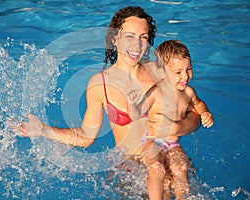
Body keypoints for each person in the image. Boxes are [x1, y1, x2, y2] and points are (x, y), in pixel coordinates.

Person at [17, 6, 201, 199]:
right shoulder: (100, 85)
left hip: (171, 161)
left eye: (144, 37)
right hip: (133, 172)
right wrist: (44, 130)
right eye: (130, 36)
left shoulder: (161, 73)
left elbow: (196, 112)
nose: (137, 45)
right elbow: (85, 137)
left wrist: (178, 127)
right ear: (115, 38)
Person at [126, 40, 214, 199]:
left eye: (188, 69)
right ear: (161, 72)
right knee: (157, 168)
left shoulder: (188, 92)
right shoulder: (156, 91)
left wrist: (205, 113)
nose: (185, 76)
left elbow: (198, 104)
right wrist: (132, 103)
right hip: (152, 140)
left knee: (181, 167)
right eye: (178, 72)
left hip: (173, 143)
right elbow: (137, 113)